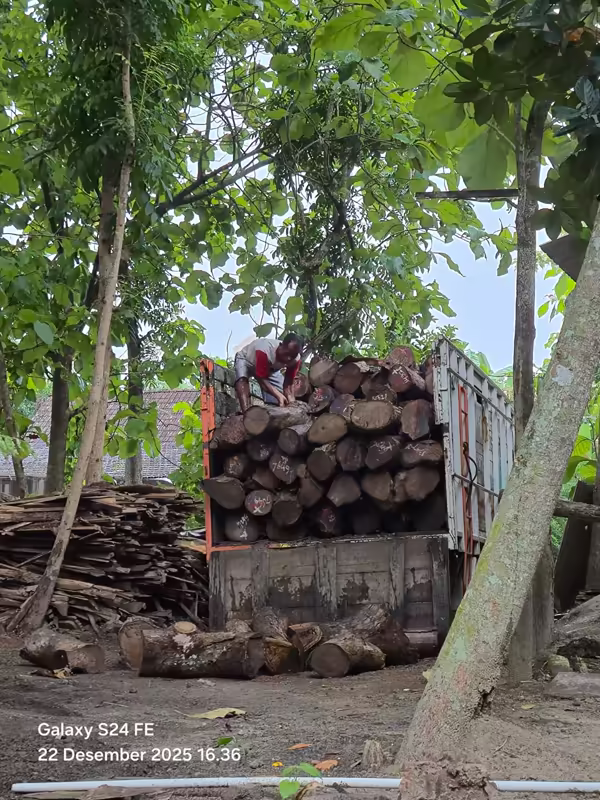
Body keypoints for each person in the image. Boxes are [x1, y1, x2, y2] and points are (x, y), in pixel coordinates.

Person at [234, 334, 304, 412]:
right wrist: (278, 395)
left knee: (279, 396)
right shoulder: (264, 349)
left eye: (292, 356)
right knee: (242, 380)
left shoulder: (295, 360)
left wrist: (292, 402)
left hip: (269, 369)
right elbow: (262, 380)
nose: (288, 358)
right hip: (247, 360)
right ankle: (245, 413)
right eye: (286, 354)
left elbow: (288, 384)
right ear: (280, 345)